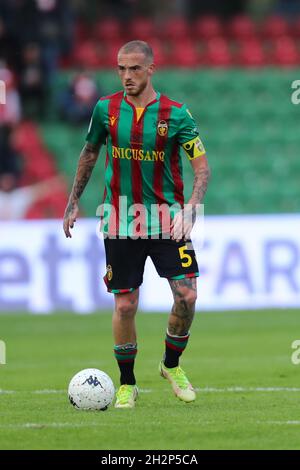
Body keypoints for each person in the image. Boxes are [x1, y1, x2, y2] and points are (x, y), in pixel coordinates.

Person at [63, 40, 210, 409]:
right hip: (120, 219)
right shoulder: (105, 109)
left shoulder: (177, 114)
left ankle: (171, 365)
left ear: (150, 70)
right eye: (120, 69)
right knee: (125, 305)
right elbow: (90, 152)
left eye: (134, 69)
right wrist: (74, 199)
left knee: (187, 295)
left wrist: (193, 206)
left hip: (166, 219)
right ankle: (127, 383)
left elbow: (202, 167)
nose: (126, 76)